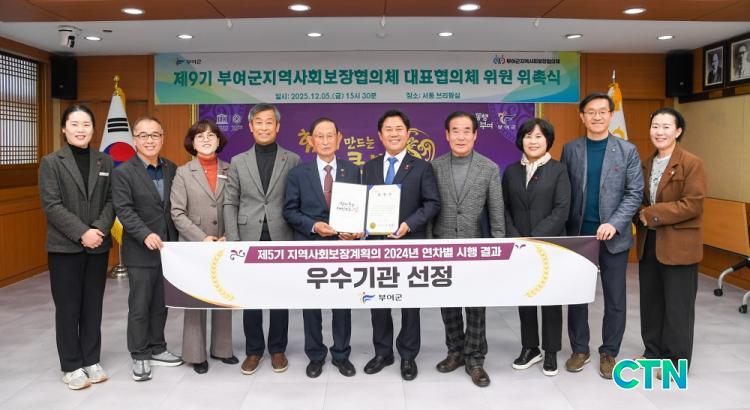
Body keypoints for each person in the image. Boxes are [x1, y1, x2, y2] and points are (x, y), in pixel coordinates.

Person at [561, 93, 643, 379]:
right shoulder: (571, 149)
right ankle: (579, 349)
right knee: (577, 296)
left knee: (615, 298)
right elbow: (565, 190)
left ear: (611, 115)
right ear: (582, 117)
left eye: (602, 111)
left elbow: (634, 193)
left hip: (614, 237)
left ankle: (609, 352)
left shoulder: (627, 150)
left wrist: (615, 223)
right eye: (591, 112)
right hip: (579, 236)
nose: (597, 116)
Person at [39, 105, 115, 390]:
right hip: (64, 247)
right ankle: (71, 365)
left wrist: (98, 230)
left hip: (98, 245)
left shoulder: (105, 161)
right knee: (68, 307)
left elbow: (112, 201)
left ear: (93, 129)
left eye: (86, 124)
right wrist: (83, 232)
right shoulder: (51, 162)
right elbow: (51, 205)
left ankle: (91, 360)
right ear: (64, 128)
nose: (81, 129)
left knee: (93, 306)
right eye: (74, 124)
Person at [361, 109, 441, 381]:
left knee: (409, 302)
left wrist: (409, 223)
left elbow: (432, 203)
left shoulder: (422, 167)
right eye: (388, 129)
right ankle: (383, 352)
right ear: (380, 135)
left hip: (408, 242)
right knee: (378, 300)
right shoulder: (369, 167)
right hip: (376, 245)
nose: (394, 134)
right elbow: (361, 204)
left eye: (399, 129)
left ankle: (408, 355)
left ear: (408, 134)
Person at [224, 103, 300, 375]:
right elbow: (230, 202)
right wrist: (234, 241)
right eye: (259, 122)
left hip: (282, 235)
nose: (264, 127)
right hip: (248, 237)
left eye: (269, 122)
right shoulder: (238, 161)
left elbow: (296, 200)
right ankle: (254, 350)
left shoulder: (292, 159)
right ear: (251, 126)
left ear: (278, 126)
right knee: (251, 296)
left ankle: (278, 349)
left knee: (280, 295)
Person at [283, 117, 361, 379]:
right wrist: (314, 226)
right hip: (311, 246)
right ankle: (315, 355)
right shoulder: (298, 174)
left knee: (342, 303)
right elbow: (289, 211)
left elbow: (361, 208)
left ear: (339, 139)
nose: (325, 141)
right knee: (311, 304)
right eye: (320, 136)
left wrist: (357, 230)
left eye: (330, 136)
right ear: (311, 140)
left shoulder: (353, 171)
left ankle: (341, 354)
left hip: (343, 247)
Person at [430, 111, 504, 387]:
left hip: (476, 248)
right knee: (448, 304)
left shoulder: (489, 168)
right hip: (442, 246)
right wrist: (428, 247)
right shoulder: (434, 167)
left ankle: (475, 359)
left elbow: (496, 213)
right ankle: (455, 351)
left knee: (475, 306)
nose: (460, 136)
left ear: (475, 135)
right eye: (455, 131)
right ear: (447, 135)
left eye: (466, 131)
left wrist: (497, 249)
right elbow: (429, 209)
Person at [112, 116, 183, 382]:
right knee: (140, 305)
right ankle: (140, 354)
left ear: (162, 138)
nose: (149, 140)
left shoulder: (171, 168)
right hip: (140, 250)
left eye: (155, 135)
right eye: (143, 135)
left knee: (161, 303)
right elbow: (124, 210)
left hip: (168, 249)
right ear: (134, 140)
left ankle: (157, 347)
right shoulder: (123, 172)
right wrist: (145, 234)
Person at [636, 108, 707, 371]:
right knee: (651, 303)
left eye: (666, 127)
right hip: (649, 244)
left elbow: (693, 204)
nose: (660, 132)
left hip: (679, 246)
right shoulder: (646, 163)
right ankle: (653, 352)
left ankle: (677, 361)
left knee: (678, 306)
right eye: (655, 126)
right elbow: (638, 199)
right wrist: (639, 213)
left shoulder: (691, 163)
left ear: (678, 131)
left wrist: (651, 214)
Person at [503, 118, 570, 377]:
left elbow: (561, 210)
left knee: (550, 298)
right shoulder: (511, 171)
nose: (533, 141)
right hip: (519, 245)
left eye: (539, 136)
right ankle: (530, 347)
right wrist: (516, 237)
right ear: (521, 140)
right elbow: (504, 208)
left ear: (548, 140)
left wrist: (535, 239)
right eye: (528, 136)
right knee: (526, 296)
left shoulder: (559, 170)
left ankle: (550, 351)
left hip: (550, 245)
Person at [170, 120, 238, 374]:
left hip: (224, 243)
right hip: (194, 246)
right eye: (200, 136)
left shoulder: (231, 169)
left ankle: (222, 349)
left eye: (211, 135)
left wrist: (229, 235)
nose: (206, 140)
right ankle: (195, 353)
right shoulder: (183, 172)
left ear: (219, 140)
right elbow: (177, 212)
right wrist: (201, 238)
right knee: (195, 300)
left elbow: (240, 205)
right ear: (192, 143)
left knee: (223, 295)